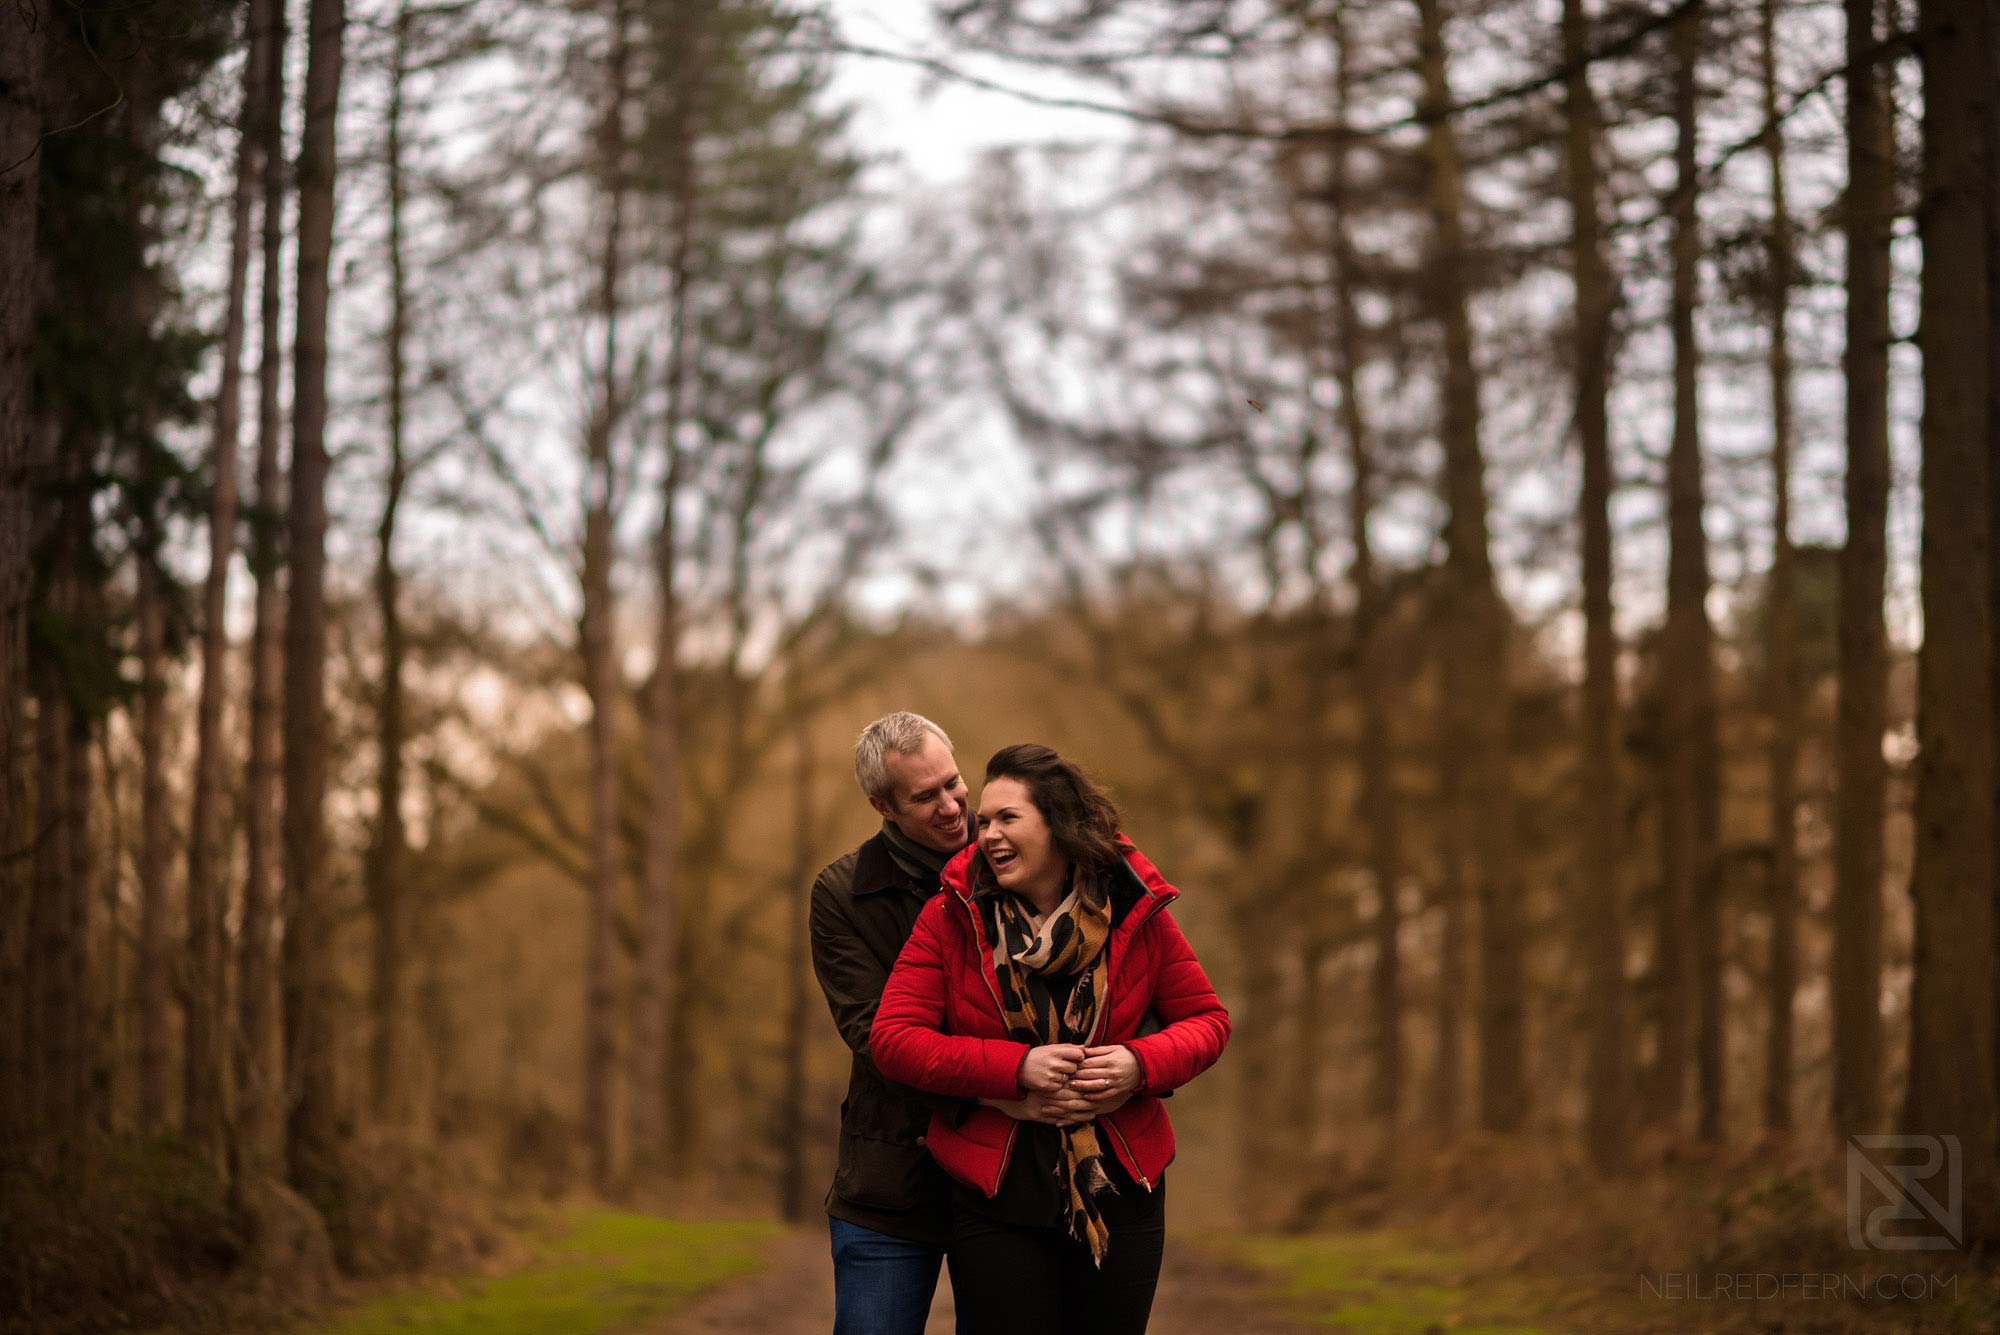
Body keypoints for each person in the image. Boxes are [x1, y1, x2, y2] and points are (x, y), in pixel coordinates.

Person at [869, 743, 1230, 1335]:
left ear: (1059, 824)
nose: (987, 836)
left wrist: (1139, 1065)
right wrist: (1016, 1069)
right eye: (984, 822)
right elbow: (894, 1039)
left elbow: (1208, 1022)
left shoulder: (1136, 910)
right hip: (996, 1193)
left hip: (1122, 1187)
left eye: (1008, 818)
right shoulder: (952, 915)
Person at [809, 711, 974, 1335]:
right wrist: (1006, 1077)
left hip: (1010, 1182)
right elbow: (876, 1036)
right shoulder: (842, 894)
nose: (952, 807)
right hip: (888, 1181)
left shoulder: (1019, 857)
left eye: (954, 783)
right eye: (924, 797)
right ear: (882, 804)